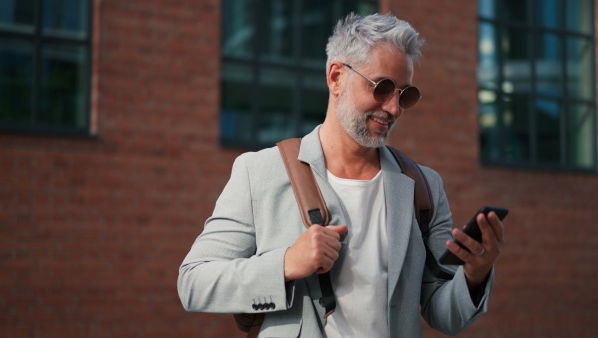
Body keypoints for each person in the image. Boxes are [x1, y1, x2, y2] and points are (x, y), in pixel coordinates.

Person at [178, 12, 505, 338]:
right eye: (382, 88)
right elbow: (194, 282)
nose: (393, 108)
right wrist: (286, 263)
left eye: (405, 95)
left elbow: (444, 314)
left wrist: (474, 276)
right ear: (336, 77)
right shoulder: (259, 173)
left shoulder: (424, 187)